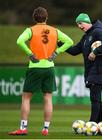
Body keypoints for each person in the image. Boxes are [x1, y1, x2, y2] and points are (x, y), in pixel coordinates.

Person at [9, 7, 73, 136]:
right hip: (49, 67)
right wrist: (56, 52)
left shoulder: (30, 30)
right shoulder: (55, 31)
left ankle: (23, 128)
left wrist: (30, 53)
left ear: (34, 18)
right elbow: (70, 41)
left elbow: (19, 41)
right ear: (46, 18)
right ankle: (45, 129)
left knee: (26, 98)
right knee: (48, 98)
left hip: (35, 66)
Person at [62, 13, 102, 123]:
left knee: (95, 99)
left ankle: (92, 123)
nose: (79, 26)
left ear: (87, 21)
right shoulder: (86, 36)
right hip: (92, 71)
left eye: (81, 23)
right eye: (77, 24)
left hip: (98, 70)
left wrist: (95, 52)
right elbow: (74, 51)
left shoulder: (97, 32)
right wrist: (58, 43)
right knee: (97, 100)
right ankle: (98, 124)